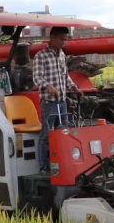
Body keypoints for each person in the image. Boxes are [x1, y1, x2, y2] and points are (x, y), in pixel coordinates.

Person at [33, 26, 81, 170]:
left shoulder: (62, 55)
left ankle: (63, 163)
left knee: (64, 132)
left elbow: (65, 76)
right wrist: (48, 87)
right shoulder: (41, 56)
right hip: (49, 102)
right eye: (61, 39)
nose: (63, 42)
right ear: (52, 37)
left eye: (65, 40)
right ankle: (43, 167)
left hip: (61, 101)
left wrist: (74, 88)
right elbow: (37, 77)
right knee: (47, 135)